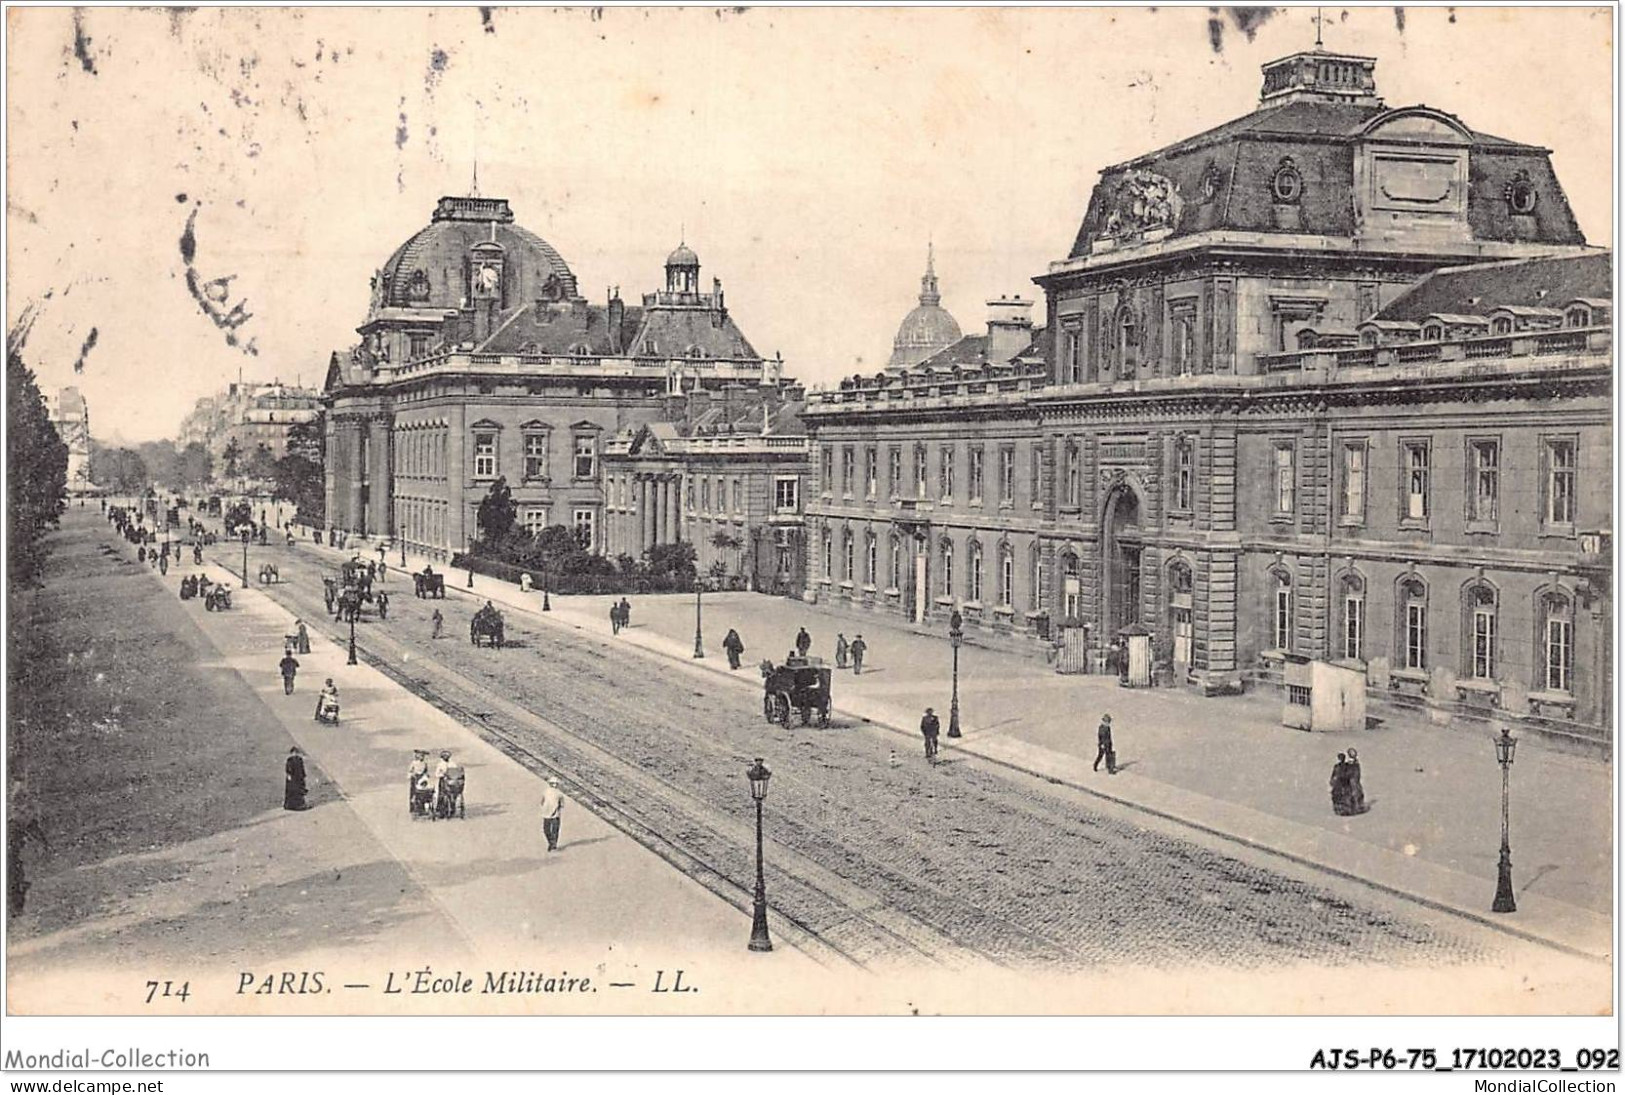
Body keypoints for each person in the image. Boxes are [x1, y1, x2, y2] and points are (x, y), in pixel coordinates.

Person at [540, 776, 567, 851]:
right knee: (555, 830)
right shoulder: (559, 794)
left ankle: (551, 843)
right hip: (555, 814)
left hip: (546, 813)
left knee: (546, 830)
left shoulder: (545, 792)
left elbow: (542, 802)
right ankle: (553, 844)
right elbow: (562, 804)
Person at [1346, 748, 1367, 814]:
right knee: (1354, 792)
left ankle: (1357, 806)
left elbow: (1356, 772)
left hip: (1354, 780)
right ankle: (1355, 806)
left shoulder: (1355, 764)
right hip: (1353, 780)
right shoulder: (1352, 764)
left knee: (1356, 792)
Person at [408, 750, 429, 814]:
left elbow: (426, 771)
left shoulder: (425, 763)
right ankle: (413, 807)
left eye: (423, 756)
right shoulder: (414, 763)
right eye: (421, 756)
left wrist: (426, 775)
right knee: (414, 792)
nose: (422, 757)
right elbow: (410, 771)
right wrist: (412, 775)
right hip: (415, 778)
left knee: (423, 791)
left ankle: (422, 807)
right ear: (418, 756)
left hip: (422, 778)